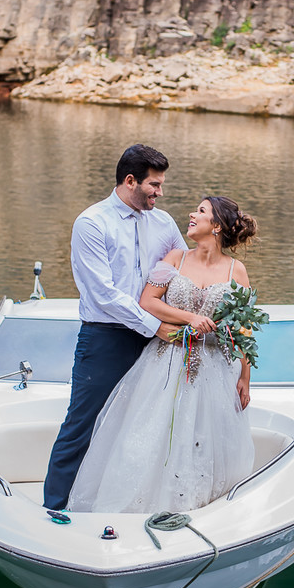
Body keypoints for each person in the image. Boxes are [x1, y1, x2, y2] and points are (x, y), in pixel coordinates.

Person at [67, 196, 258, 514]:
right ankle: (139, 507)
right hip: (165, 361)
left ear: (217, 226)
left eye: (200, 211)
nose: (191, 214)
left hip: (214, 367)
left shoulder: (236, 271)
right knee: (146, 436)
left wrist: (245, 377)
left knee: (203, 440)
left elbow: (244, 327)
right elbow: (147, 302)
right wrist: (190, 319)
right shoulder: (175, 258)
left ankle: (198, 509)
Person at [42, 144, 188, 511]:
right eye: (154, 184)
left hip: (160, 338)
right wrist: (155, 325)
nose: (159, 192)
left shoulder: (164, 223)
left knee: (150, 422)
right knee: (82, 424)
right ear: (130, 181)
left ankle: (128, 505)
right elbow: (103, 293)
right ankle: (54, 509)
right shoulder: (91, 223)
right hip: (106, 338)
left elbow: (186, 270)